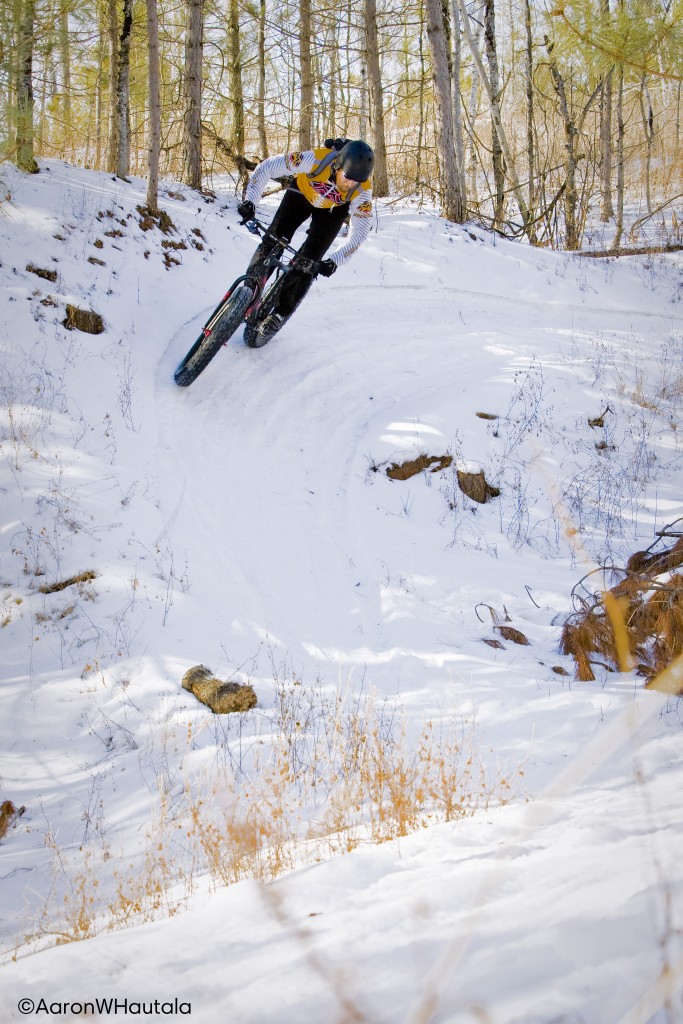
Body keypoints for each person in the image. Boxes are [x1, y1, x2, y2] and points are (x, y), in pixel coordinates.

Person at [237, 138, 374, 344]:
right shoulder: (316, 159)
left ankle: (280, 313)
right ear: (338, 165)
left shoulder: (362, 190)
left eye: (356, 181)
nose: (349, 184)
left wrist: (335, 260)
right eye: (347, 177)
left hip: (332, 211)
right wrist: (251, 201)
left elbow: (361, 231)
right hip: (301, 194)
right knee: (274, 239)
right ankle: (249, 289)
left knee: (309, 262)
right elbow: (267, 167)